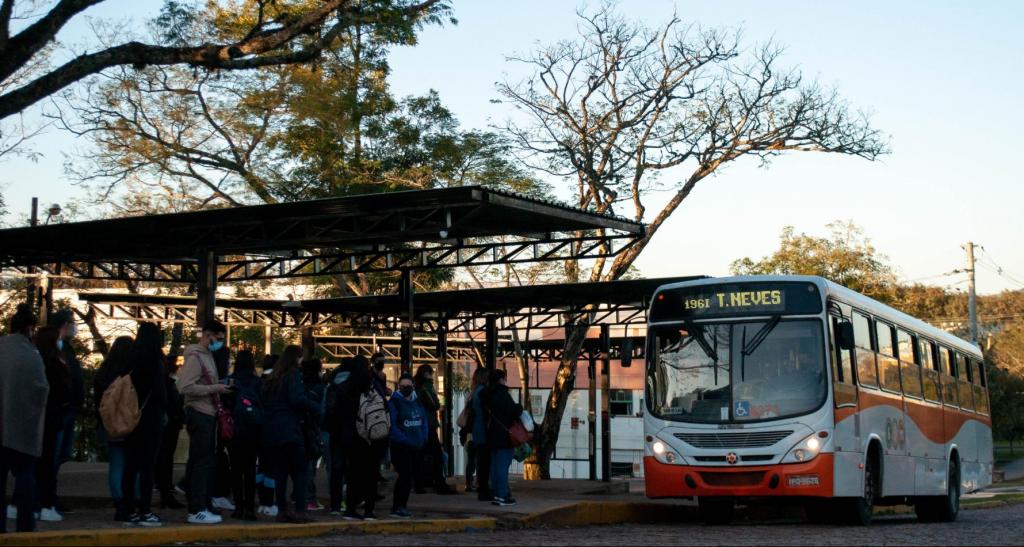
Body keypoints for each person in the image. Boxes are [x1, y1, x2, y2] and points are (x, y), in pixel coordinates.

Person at [178, 320, 232, 525]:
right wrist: (215, 389)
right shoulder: (195, 356)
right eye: (218, 338)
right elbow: (185, 387)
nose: (220, 342)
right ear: (208, 335)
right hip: (200, 413)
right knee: (202, 462)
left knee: (202, 461)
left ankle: (201, 503)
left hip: (206, 413)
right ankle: (197, 508)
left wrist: (218, 386)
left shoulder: (207, 355)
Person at [0, 304, 48, 534]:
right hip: (23, 427)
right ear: (30, 329)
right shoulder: (32, 355)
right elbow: (42, 389)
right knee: (25, 477)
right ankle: (25, 525)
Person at [261, 346, 320, 523]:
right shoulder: (293, 375)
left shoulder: (272, 379)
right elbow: (297, 399)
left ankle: (282, 510)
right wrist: (315, 407)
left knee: (280, 473)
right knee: (300, 472)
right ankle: (300, 511)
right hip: (290, 430)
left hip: (273, 431)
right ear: (296, 359)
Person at [120, 322, 168, 527]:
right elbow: (160, 393)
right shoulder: (155, 362)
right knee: (147, 467)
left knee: (130, 466)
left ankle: (128, 510)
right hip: (150, 419)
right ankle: (145, 510)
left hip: (129, 417)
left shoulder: (130, 360)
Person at [92, 336, 134, 518]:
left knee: (116, 464)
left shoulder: (104, 372)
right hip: (129, 423)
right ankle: (133, 500)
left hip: (108, 423)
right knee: (132, 464)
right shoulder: (131, 373)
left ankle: (119, 502)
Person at [33, 326, 71, 522]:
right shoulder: (56, 363)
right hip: (53, 416)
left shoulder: (35, 360)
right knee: (48, 462)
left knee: (34, 463)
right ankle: (46, 503)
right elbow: (64, 390)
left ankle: (30, 503)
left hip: (36, 416)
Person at [48, 309, 84, 515]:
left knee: (59, 455)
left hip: (69, 409)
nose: (75, 327)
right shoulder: (52, 348)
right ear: (64, 325)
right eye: (72, 322)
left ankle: (50, 495)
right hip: (60, 410)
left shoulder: (65, 348)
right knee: (52, 455)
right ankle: (47, 497)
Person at [339, 356, 381, 521]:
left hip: (351, 435)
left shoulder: (346, 387)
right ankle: (369, 510)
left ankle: (350, 508)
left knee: (353, 474)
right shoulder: (370, 385)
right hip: (369, 435)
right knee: (371, 474)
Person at [226, 350, 262, 520]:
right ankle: (250, 508)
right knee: (250, 470)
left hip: (234, 429)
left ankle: (238, 506)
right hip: (253, 430)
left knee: (235, 469)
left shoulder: (231, 381)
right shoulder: (258, 382)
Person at [388, 373, 427, 519]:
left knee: (409, 476)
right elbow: (392, 425)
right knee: (405, 475)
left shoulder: (417, 402)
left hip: (416, 444)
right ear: (399, 387)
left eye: (408, 386)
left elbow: (423, 421)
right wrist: (404, 440)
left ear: (413, 386)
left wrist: (423, 437)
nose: (406, 388)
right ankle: (398, 506)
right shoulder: (395, 402)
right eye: (403, 386)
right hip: (401, 446)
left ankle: (401, 506)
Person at [413, 365, 455, 495]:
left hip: (419, 424)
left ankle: (419, 484)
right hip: (429, 425)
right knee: (438, 456)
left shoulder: (416, 387)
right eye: (431, 373)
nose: (433, 376)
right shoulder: (427, 386)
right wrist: (438, 403)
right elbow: (434, 404)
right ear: (426, 374)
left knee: (419, 455)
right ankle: (440, 484)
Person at [483, 369, 522, 507]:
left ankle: (497, 494)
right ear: (501, 379)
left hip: (491, 434)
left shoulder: (486, 394)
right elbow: (513, 411)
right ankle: (502, 495)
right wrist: (519, 408)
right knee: (502, 467)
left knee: (495, 466)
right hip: (504, 435)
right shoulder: (502, 394)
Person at [155, 354, 185, 510]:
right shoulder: (168, 383)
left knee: (164, 459)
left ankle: (164, 491)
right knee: (165, 459)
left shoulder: (165, 382)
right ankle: (165, 492)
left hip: (168, 423)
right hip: (170, 424)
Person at [323, 358, 352, 516]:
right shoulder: (355, 385)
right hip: (351, 431)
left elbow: (324, 410)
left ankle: (335, 504)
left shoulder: (331, 386)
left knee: (336, 469)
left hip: (334, 431)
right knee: (351, 468)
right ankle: (349, 502)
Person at [209, 344, 235, 514]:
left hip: (212, 421)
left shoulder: (208, 375)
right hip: (220, 422)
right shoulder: (221, 380)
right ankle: (218, 493)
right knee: (220, 459)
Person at [300, 357, 326, 512]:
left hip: (299, 428)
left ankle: (300, 496)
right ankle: (309, 498)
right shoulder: (320, 388)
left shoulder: (298, 385)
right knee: (310, 466)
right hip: (313, 430)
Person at [461, 368, 489, 494]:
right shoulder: (482, 392)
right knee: (479, 458)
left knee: (471, 458)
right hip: (478, 429)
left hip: (470, 430)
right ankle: (479, 483)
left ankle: (469, 483)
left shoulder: (473, 392)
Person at [469, 368, 492, 502]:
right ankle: (483, 489)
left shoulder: (475, 391)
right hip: (483, 430)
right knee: (484, 462)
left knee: (481, 461)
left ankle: (481, 487)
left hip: (477, 430)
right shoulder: (482, 391)